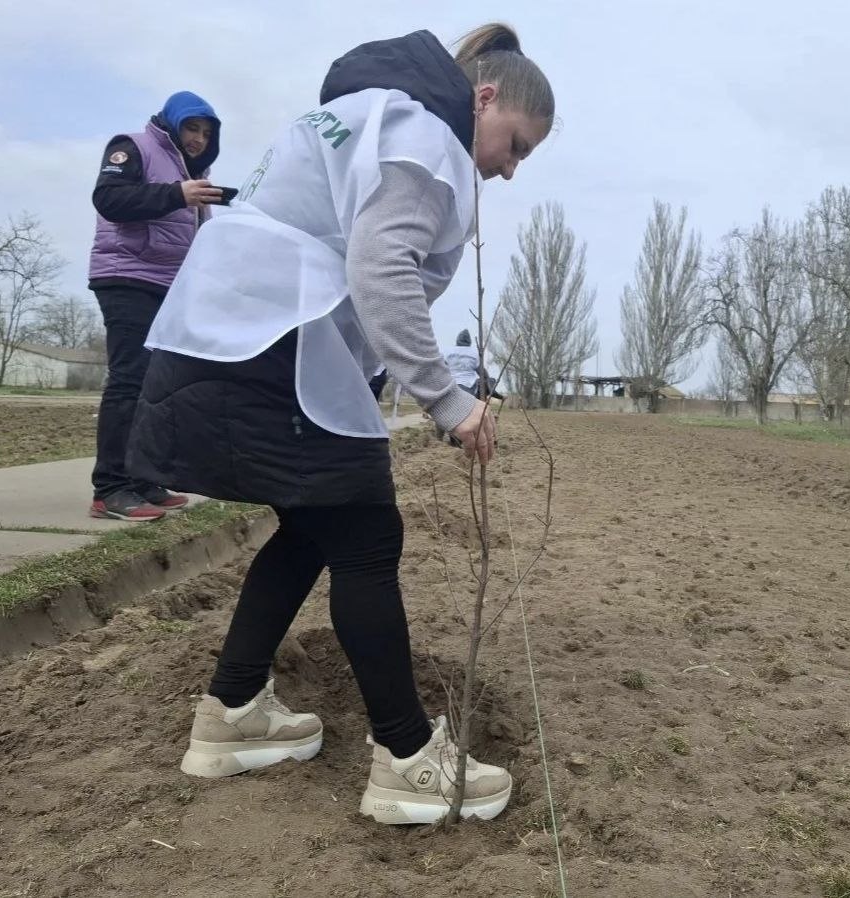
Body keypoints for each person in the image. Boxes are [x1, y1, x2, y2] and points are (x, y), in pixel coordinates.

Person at [126, 24, 554, 824]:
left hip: (228, 328)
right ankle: (405, 759)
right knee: (363, 534)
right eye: (515, 144)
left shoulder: (373, 111)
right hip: (271, 337)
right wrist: (450, 402)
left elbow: (349, 261)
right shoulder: (427, 132)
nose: (507, 166)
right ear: (484, 98)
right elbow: (381, 265)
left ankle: (234, 710)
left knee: (313, 527)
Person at [87, 91, 223, 521]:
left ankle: (141, 479)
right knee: (129, 381)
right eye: (191, 128)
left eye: (206, 132)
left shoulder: (194, 173)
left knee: (154, 387)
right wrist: (176, 194)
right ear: (172, 123)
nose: (199, 139)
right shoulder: (132, 147)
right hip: (127, 277)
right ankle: (109, 489)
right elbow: (109, 200)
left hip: (169, 286)